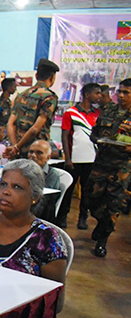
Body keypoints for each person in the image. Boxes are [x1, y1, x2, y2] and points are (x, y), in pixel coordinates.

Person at [0, 159, 67, 289]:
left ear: (35, 197)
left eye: (17, 187)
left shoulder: (47, 240)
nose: (6, 192)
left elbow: (54, 299)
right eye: (3, 184)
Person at [85, 78, 131, 257]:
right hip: (102, 162)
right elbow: (94, 133)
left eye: (126, 92)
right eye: (119, 91)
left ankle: (103, 239)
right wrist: (98, 140)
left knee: (115, 203)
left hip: (123, 167)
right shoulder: (108, 110)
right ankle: (100, 221)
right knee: (91, 198)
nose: (120, 95)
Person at [59, 82, 102, 229]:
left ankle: (82, 218)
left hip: (92, 159)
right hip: (75, 159)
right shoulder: (71, 113)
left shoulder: (98, 114)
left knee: (87, 190)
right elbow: (65, 136)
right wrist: (68, 158)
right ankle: (63, 216)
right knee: (69, 190)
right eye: (97, 93)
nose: (99, 96)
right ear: (88, 94)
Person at [6, 58, 60, 159]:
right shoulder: (49, 97)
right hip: (37, 152)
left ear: (36, 76)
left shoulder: (21, 95)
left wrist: (15, 147)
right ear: (52, 77)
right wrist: (17, 147)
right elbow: (35, 129)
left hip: (18, 151)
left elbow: (10, 123)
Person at [27, 140, 61, 221]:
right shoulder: (23, 171)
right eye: (31, 152)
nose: (33, 155)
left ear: (48, 157)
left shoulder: (52, 175)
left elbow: (44, 199)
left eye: (39, 153)